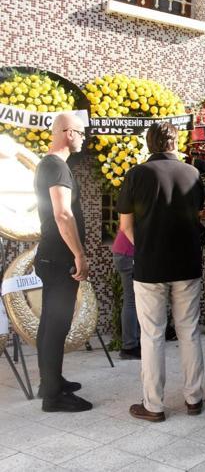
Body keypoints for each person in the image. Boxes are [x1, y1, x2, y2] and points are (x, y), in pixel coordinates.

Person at [118, 122, 205, 423]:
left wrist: (144, 247)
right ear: (176, 142)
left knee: (152, 335)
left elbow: (126, 226)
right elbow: (196, 214)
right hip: (187, 263)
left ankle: (153, 405)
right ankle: (194, 398)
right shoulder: (193, 173)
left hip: (150, 266)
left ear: (149, 143)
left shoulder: (137, 174)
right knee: (189, 331)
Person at [33, 112, 91, 412]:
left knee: (49, 323)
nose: (83, 138)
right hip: (59, 257)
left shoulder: (50, 165)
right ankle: (53, 397)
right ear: (69, 133)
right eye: (81, 133)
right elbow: (62, 213)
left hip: (50, 256)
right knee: (57, 325)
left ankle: (50, 382)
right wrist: (79, 254)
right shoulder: (56, 166)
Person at [112, 229, 140, 360]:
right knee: (131, 301)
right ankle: (129, 347)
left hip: (124, 252)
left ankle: (134, 343)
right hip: (128, 254)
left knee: (135, 300)